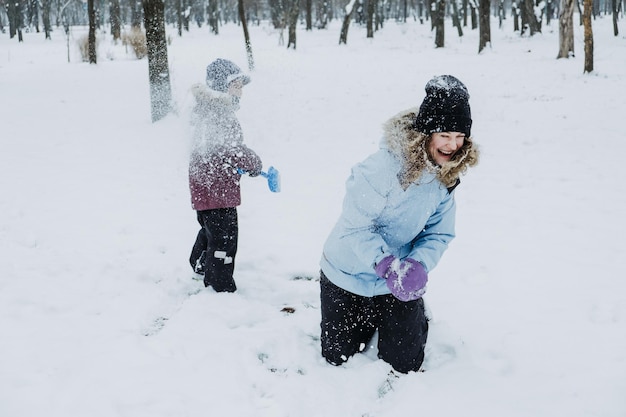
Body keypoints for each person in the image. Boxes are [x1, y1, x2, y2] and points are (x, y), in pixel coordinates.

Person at [319, 75, 480, 373]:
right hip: (348, 271)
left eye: (460, 136)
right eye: (445, 134)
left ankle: (409, 315)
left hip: (398, 281)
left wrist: (417, 265)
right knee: (337, 355)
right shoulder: (381, 168)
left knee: (405, 362)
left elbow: (439, 231)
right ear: (427, 133)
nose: (453, 145)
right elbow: (355, 227)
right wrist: (385, 264)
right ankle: (368, 313)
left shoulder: (446, 174)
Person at [188, 58, 263, 293]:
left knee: (211, 228)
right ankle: (220, 286)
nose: (241, 91)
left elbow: (219, 151)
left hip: (207, 186)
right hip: (216, 189)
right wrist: (252, 162)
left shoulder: (208, 109)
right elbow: (230, 149)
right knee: (225, 238)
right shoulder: (218, 113)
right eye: (236, 85)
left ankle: (200, 262)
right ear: (222, 86)